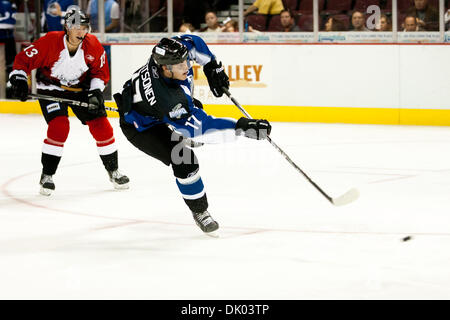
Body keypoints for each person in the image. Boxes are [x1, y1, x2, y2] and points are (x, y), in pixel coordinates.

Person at [113, 36, 271, 235]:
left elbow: (193, 42)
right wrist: (241, 127)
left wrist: (212, 66)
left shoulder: (165, 55)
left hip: (152, 109)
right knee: (185, 159)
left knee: (195, 107)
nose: (187, 66)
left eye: (186, 60)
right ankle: (200, 211)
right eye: (180, 65)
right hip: (142, 127)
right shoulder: (168, 99)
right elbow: (202, 129)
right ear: (166, 69)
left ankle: (178, 128)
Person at [8, 8, 129, 196]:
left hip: (81, 90)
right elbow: (23, 60)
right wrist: (19, 80)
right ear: (67, 27)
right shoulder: (50, 41)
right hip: (51, 88)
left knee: (102, 126)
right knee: (59, 126)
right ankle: (47, 175)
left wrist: (96, 92)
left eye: (84, 27)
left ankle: (113, 171)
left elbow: (99, 72)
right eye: (77, 27)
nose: (81, 32)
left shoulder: (93, 45)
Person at [0, 0, 17, 77]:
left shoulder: (11, 3)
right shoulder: (11, 3)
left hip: (8, 34)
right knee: (10, 59)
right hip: (7, 33)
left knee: (10, 59)